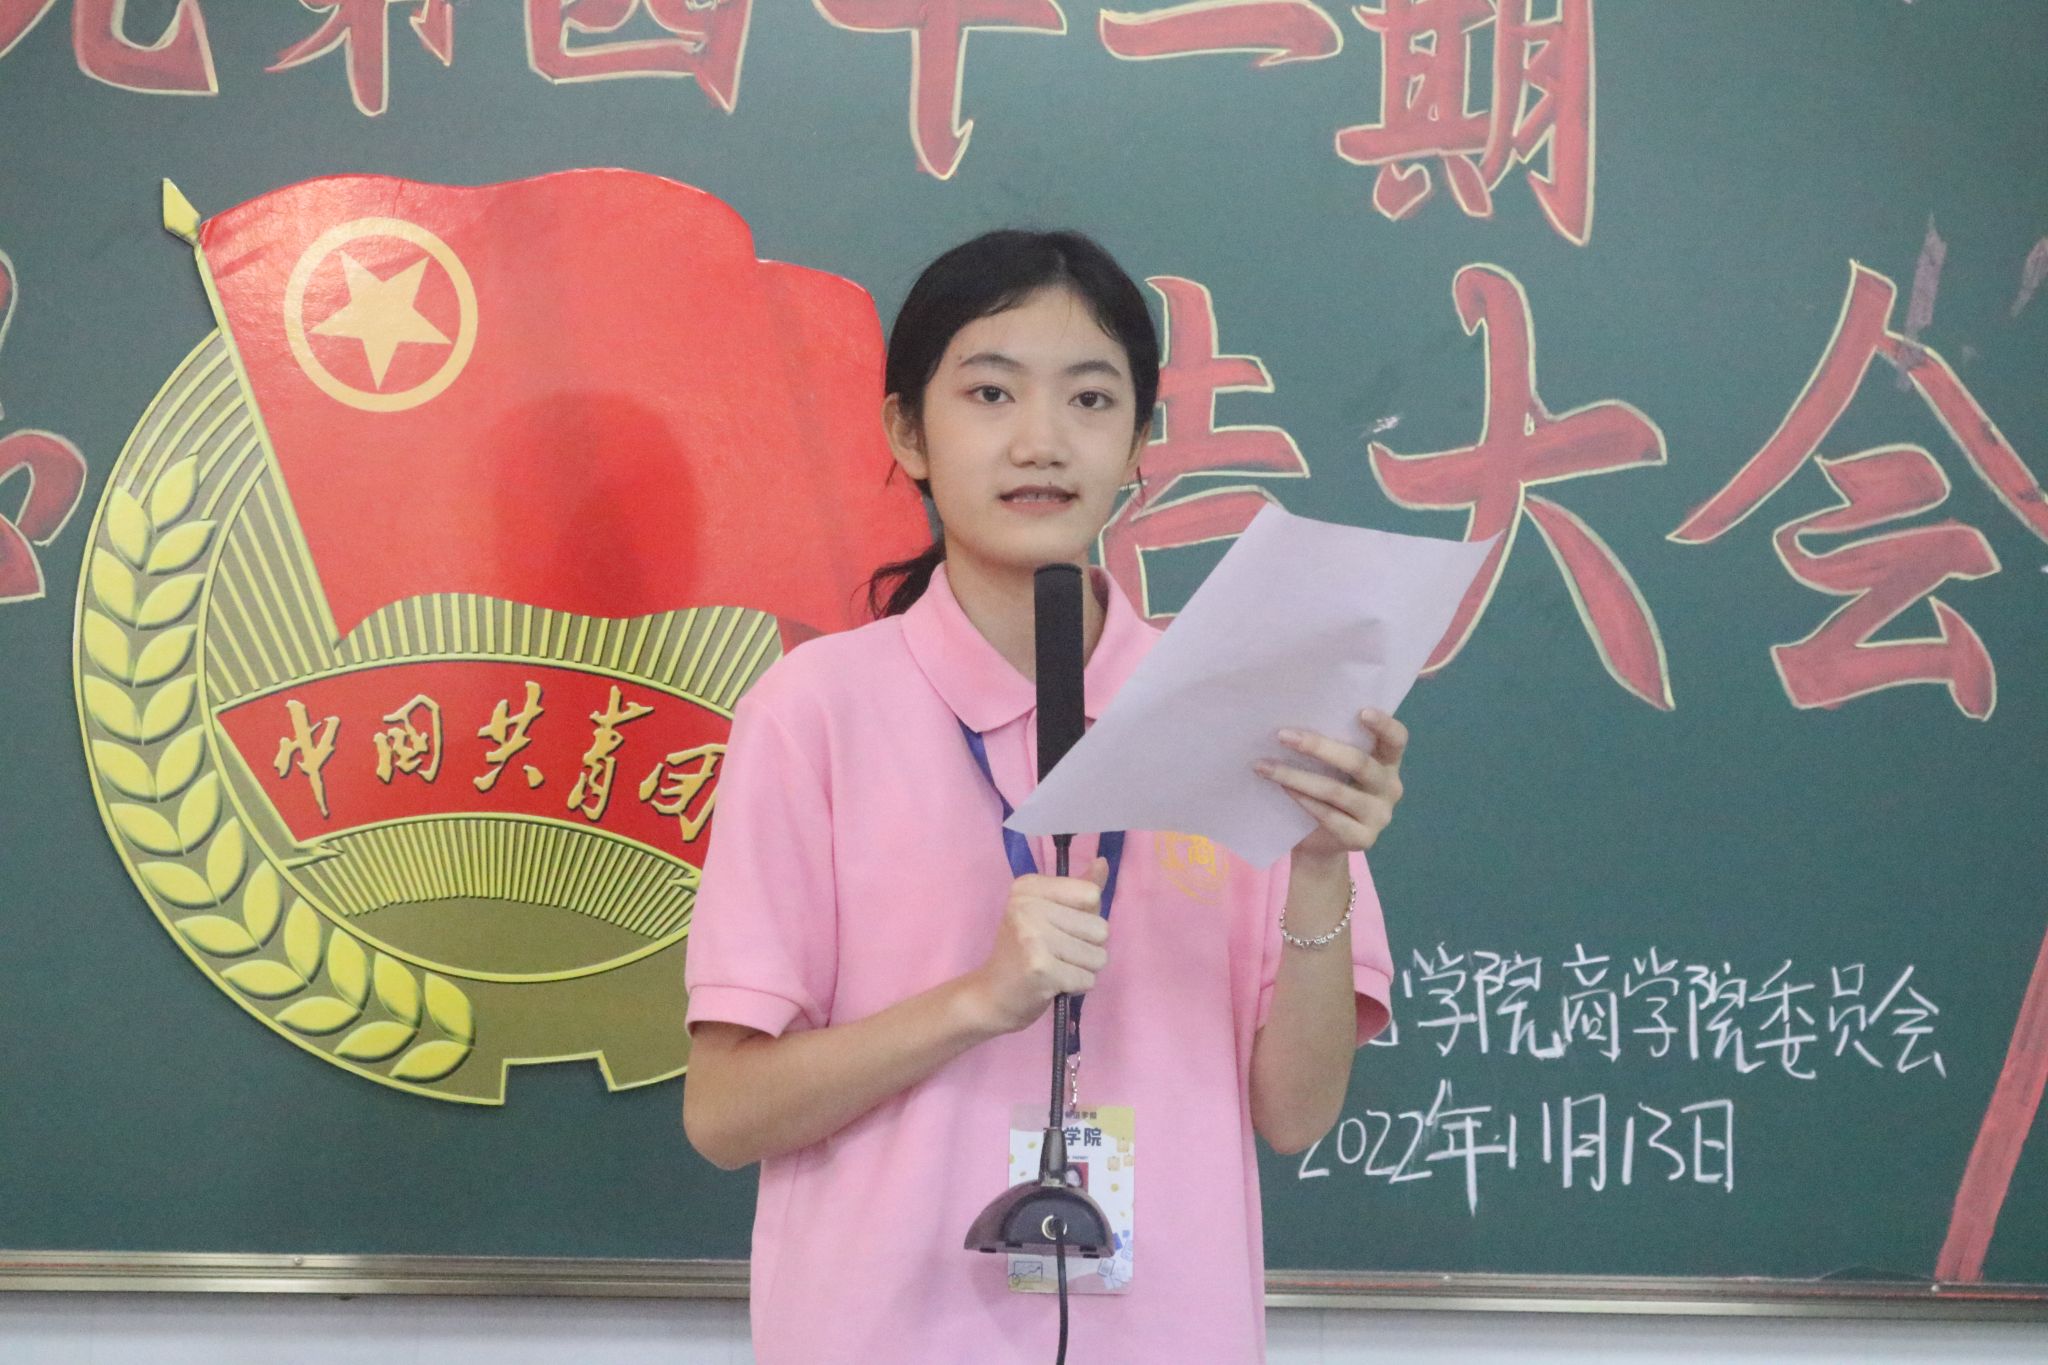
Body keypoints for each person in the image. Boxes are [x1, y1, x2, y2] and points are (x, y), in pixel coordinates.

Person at [681, 229, 1401, 1363]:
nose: (1041, 441)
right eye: (989, 392)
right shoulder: (812, 711)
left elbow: (1295, 1114)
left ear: (1139, 444)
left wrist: (1318, 867)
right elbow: (725, 1114)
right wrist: (980, 999)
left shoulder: (1246, 715)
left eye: (1090, 399)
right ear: (906, 432)